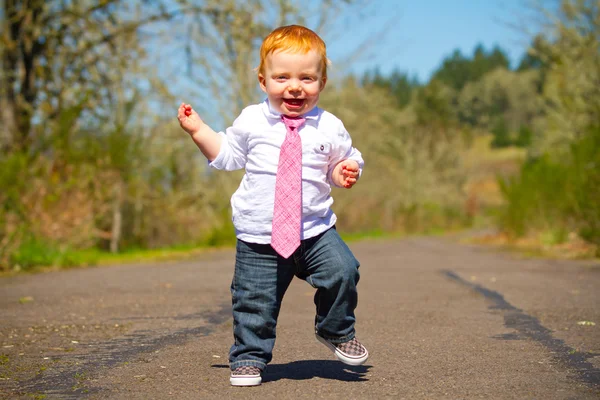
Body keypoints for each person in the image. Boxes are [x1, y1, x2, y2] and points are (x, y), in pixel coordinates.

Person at [177, 24, 368, 387]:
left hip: (315, 230)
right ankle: (249, 357)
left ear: (322, 83)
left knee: (343, 271)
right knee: (254, 302)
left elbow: (346, 158)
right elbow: (227, 155)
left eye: (307, 78)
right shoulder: (252, 120)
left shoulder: (329, 126)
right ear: (263, 81)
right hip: (258, 234)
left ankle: (334, 329)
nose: (294, 86)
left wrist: (347, 169)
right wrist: (199, 130)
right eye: (282, 77)